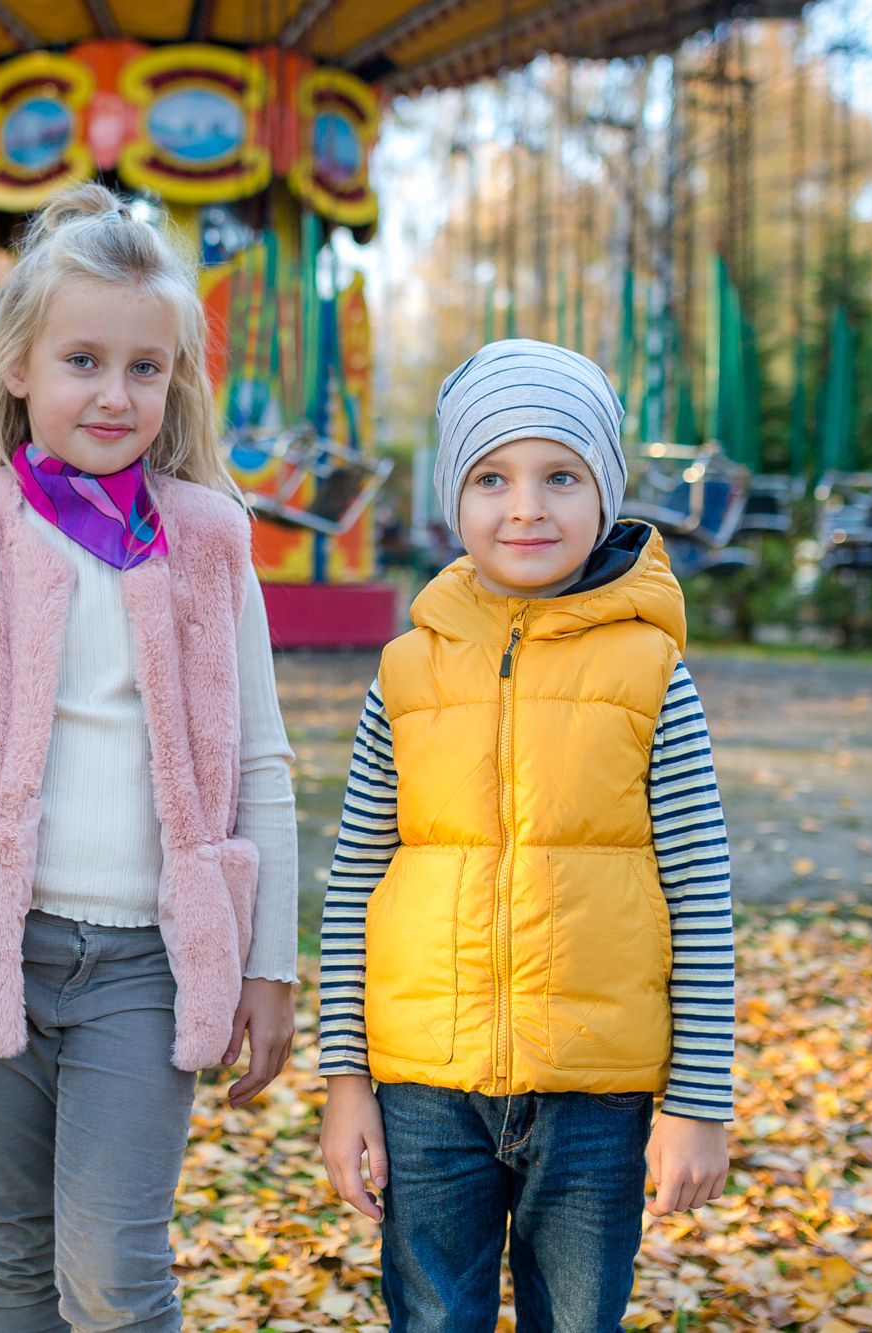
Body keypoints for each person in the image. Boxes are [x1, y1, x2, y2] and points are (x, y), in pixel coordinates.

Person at [0, 182, 300, 1333]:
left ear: (176, 381)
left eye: (146, 367)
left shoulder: (206, 543)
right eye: (83, 359)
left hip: (148, 961)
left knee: (111, 1264)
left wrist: (271, 963)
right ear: (18, 368)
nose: (114, 392)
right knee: (14, 1251)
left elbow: (264, 764)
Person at [317, 340, 736, 1333]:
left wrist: (696, 1101)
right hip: (425, 1087)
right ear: (450, 500)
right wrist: (344, 1082)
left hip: (597, 1093)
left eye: (560, 475)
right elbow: (351, 885)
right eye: (490, 477)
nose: (524, 507)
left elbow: (700, 890)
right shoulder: (405, 671)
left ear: (605, 492)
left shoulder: (649, 672)